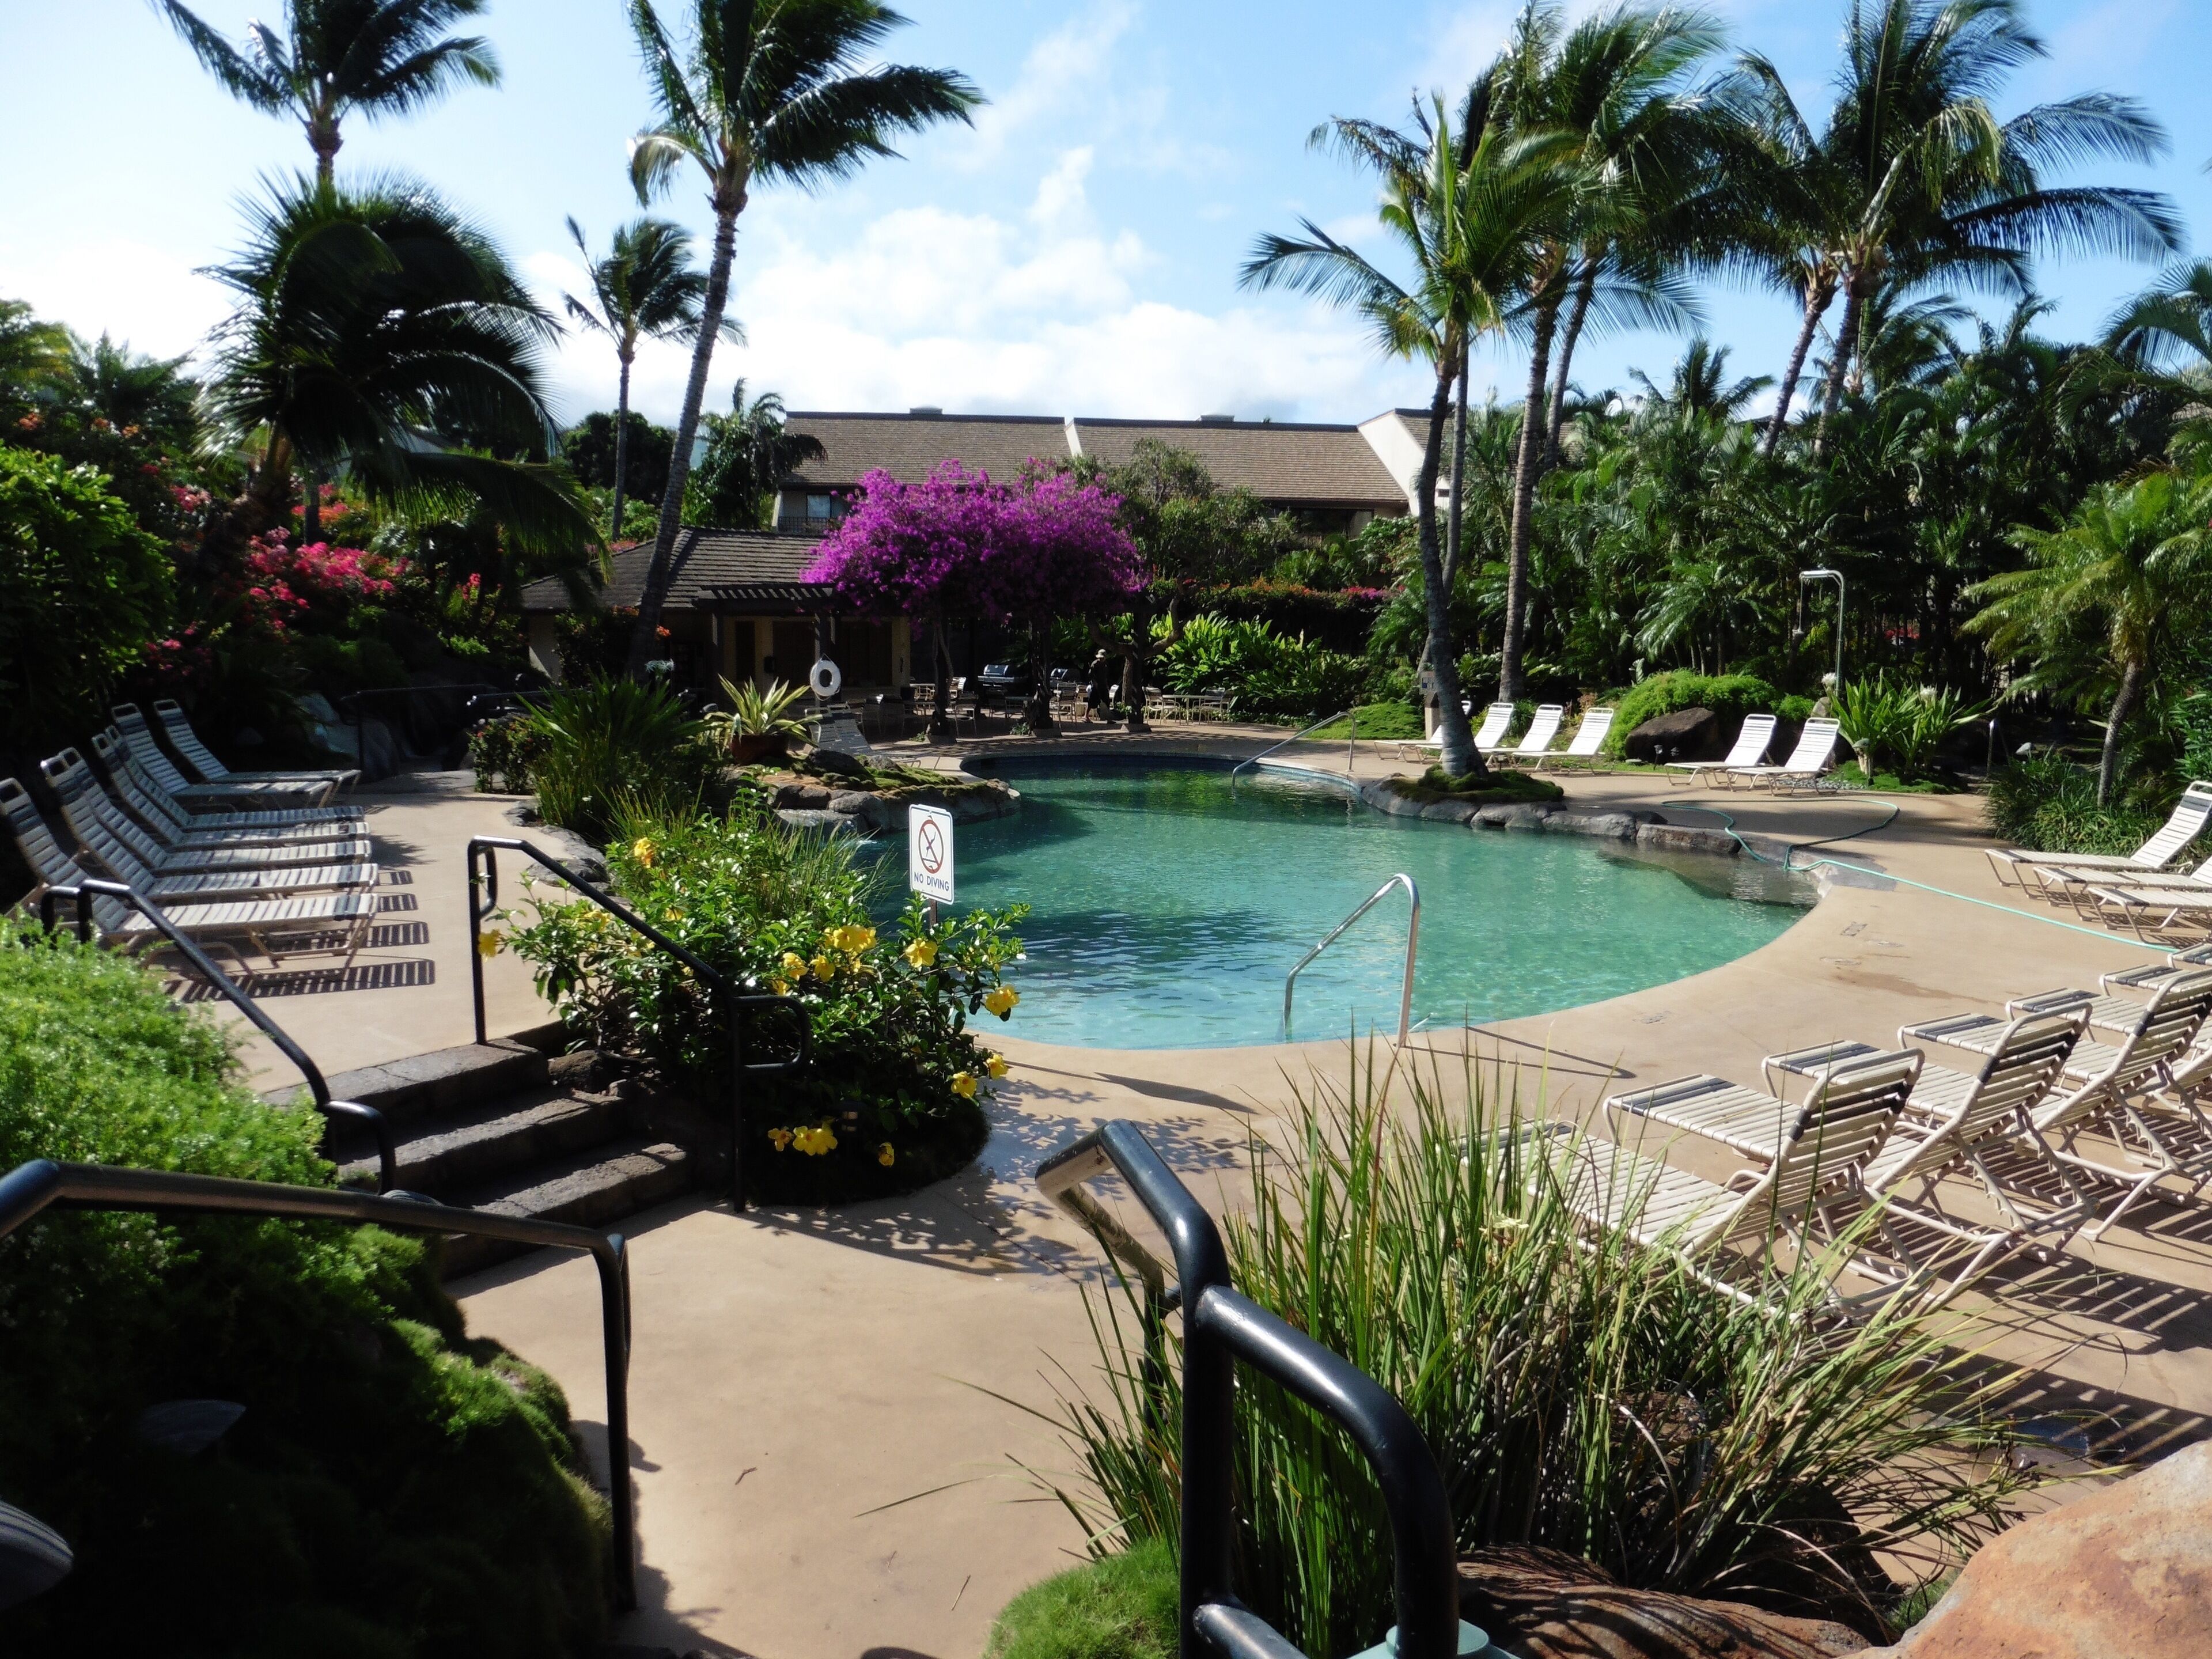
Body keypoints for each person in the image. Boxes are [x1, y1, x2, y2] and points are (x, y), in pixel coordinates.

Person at [1084, 649, 1117, 723]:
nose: (1102, 659)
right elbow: (1090, 675)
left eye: (1103, 658)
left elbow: (1106, 676)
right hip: (1096, 686)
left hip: (1104, 685)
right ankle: (1086, 716)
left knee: (1107, 701)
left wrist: (1107, 685)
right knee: (1092, 700)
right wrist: (1095, 683)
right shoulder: (1095, 664)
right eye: (1101, 658)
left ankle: (1108, 718)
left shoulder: (1106, 664)